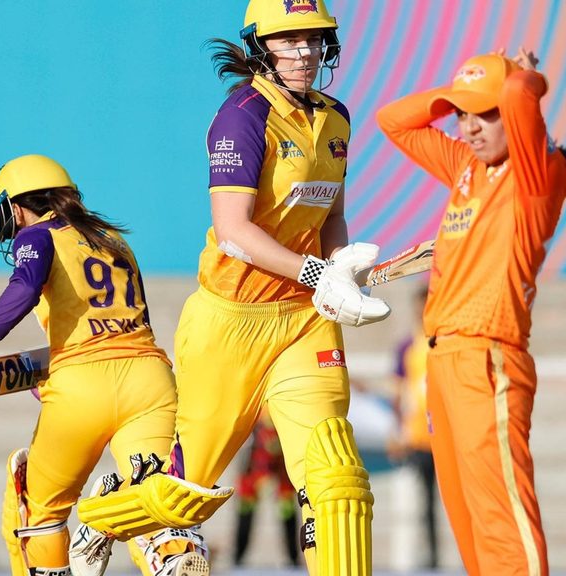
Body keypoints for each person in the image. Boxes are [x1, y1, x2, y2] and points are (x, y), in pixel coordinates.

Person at [163, 1, 391, 574]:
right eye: (289, 40)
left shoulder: (336, 117)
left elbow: (331, 216)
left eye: (313, 39)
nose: (305, 51)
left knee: (335, 477)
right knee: (186, 490)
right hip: (230, 320)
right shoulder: (242, 116)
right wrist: (317, 273)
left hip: (304, 320)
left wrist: (341, 269)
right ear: (260, 47)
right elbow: (232, 231)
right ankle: (101, 521)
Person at [0, 155, 209, 576]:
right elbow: (105, 340)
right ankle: (159, 545)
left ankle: (97, 520)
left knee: (37, 511)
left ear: (16, 206)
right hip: (151, 380)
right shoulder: (112, 239)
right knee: (155, 499)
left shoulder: (38, 235)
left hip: (81, 391)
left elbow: (26, 290)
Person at [377, 49, 566, 576]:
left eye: (484, 114)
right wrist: (457, 96)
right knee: (469, 526)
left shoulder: (535, 176)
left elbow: (519, 94)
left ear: (511, 115)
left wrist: (523, 77)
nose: (469, 127)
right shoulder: (467, 168)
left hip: (487, 358)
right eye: (462, 115)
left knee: (501, 521)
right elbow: (393, 120)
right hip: (443, 360)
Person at [387, 285, 439, 570]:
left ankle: (436, 559)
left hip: (442, 437)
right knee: (415, 503)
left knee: (442, 503)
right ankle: (415, 560)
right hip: (416, 437)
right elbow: (397, 394)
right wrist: (396, 432)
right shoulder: (407, 347)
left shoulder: (443, 344)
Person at [233, 416, 301, 568]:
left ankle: (293, 558)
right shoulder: (256, 423)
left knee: (287, 509)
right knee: (246, 509)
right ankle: (237, 557)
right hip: (254, 464)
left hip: (281, 467)